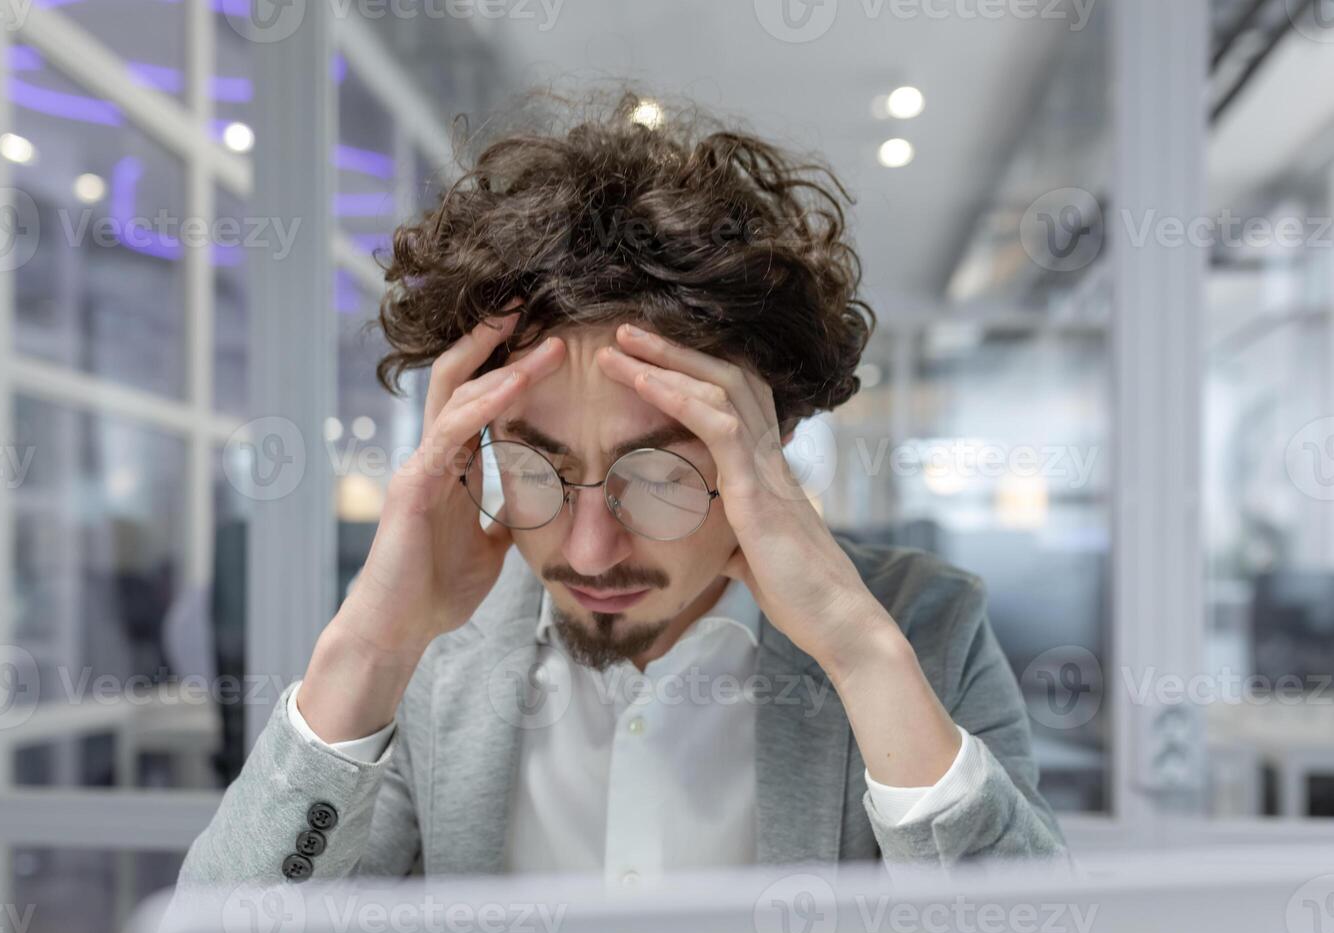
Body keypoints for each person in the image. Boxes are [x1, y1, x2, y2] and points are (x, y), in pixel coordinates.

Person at [177, 91, 1066, 890]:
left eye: (661, 476)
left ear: (776, 442)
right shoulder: (436, 655)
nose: (589, 550)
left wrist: (861, 657)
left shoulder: (923, 629)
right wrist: (368, 650)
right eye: (536, 471)